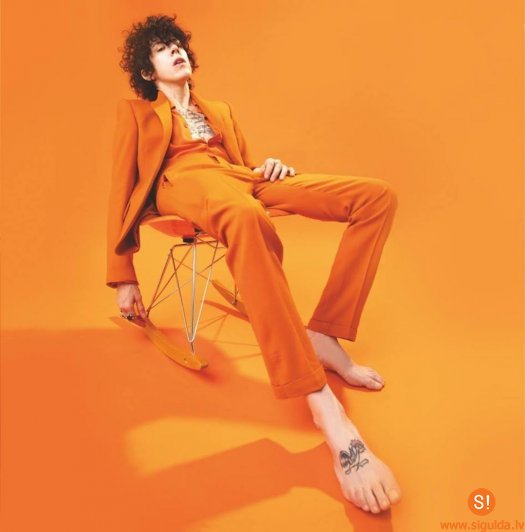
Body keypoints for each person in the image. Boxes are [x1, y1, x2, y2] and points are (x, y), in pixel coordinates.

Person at [107, 13, 401, 513]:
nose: (175, 49)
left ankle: (324, 332)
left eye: (178, 43)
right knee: (244, 214)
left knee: (376, 197)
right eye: (161, 48)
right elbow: (120, 189)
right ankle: (323, 408)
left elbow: (242, 168)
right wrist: (122, 274)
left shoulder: (220, 110)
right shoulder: (136, 113)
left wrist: (268, 168)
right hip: (181, 185)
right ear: (148, 71)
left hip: (238, 181)